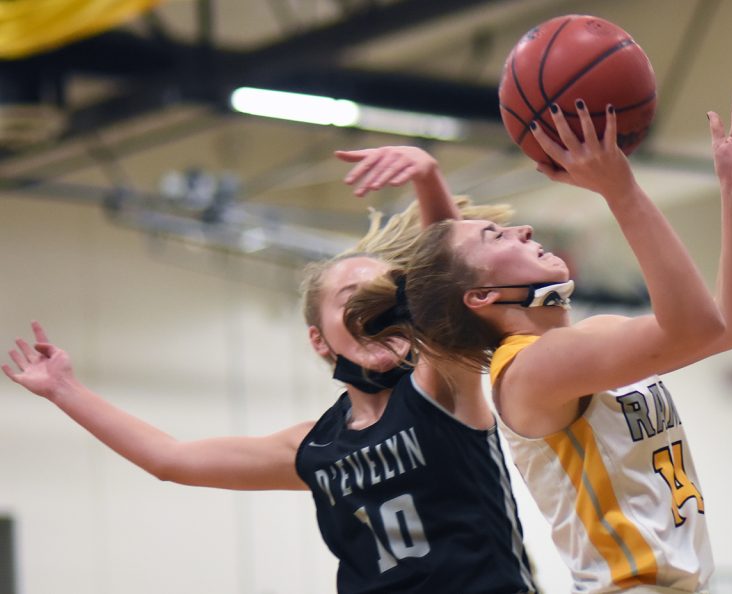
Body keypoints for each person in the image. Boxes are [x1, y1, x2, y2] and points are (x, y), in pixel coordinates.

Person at [2, 146, 536, 594]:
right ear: (319, 340)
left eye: (391, 297)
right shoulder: (312, 448)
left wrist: (427, 175)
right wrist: (64, 389)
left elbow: (446, 274)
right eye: (354, 299)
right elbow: (170, 459)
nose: (377, 307)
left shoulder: (443, 390)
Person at [344, 82, 732, 593]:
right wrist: (620, 189)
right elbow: (696, 325)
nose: (520, 229)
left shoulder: (593, 342)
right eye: (493, 236)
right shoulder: (527, 372)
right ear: (480, 297)